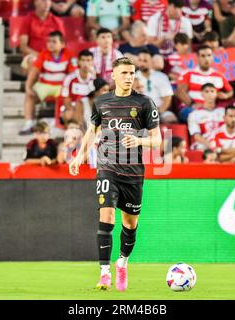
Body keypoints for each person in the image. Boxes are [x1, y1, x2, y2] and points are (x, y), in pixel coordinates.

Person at [69, 57, 162, 291]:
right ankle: (104, 273)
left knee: (130, 226)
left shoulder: (144, 103)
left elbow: (158, 139)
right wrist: (80, 156)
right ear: (114, 75)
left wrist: (140, 139)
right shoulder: (102, 102)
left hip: (133, 173)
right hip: (107, 167)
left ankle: (122, 262)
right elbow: (92, 131)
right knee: (107, 217)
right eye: (124, 73)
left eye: (132, 73)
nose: (129, 77)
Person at [20, 31, 76, 135]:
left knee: (66, 96)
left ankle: (62, 124)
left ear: (62, 44)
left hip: (61, 86)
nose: (50, 44)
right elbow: (34, 72)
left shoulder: (69, 54)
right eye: (49, 41)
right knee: (30, 94)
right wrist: (28, 87)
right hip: (45, 85)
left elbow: (73, 75)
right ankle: (29, 123)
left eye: (54, 41)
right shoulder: (43, 54)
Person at [176, 45, 233, 110]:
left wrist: (226, 95)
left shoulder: (220, 75)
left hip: (213, 109)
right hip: (191, 108)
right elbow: (180, 92)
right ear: (197, 58)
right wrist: (193, 105)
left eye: (209, 55)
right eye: (203, 56)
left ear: (212, 57)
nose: (206, 59)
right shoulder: (188, 73)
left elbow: (230, 91)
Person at [19, 0, 65, 74]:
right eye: (43, 0)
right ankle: (32, 85)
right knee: (33, 61)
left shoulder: (57, 21)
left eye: (49, 0)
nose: (46, 3)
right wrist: (41, 56)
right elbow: (23, 47)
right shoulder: (27, 20)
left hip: (52, 56)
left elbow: (62, 45)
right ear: (35, 2)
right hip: (33, 55)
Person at [135, 49, 176, 123]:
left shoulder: (161, 76)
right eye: (140, 60)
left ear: (151, 62)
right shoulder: (133, 77)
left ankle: (169, 135)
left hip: (159, 110)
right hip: (139, 111)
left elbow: (167, 99)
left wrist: (158, 114)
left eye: (145, 61)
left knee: (171, 119)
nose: (142, 63)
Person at [60, 49, 96, 125]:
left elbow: (94, 99)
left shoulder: (94, 79)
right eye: (83, 60)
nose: (85, 63)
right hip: (72, 108)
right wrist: (75, 111)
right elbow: (66, 99)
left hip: (87, 109)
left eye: (88, 60)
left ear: (92, 62)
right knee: (69, 114)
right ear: (78, 62)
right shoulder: (69, 78)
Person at [187, 83, 225, 150]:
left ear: (216, 94)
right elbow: (196, 136)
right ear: (202, 94)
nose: (210, 94)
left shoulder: (223, 111)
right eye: (206, 91)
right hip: (205, 143)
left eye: (212, 91)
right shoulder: (194, 114)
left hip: (223, 141)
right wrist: (211, 146)